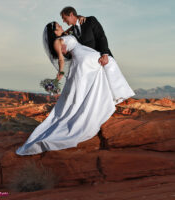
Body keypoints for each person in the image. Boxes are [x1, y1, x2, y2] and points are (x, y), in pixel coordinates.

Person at [15, 21, 135, 156]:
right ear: (54, 32)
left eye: (60, 24)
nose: (61, 26)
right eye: (58, 26)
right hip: (83, 59)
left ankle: (105, 101)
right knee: (102, 72)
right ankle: (106, 101)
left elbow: (77, 28)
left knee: (103, 71)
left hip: (86, 57)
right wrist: (60, 74)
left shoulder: (66, 34)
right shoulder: (57, 42)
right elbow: (61, 59)